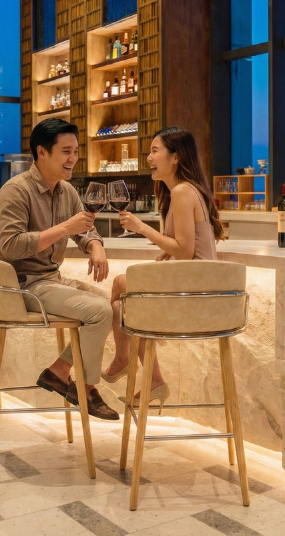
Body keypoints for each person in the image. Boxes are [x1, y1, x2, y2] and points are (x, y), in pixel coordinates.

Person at [0, 118, 119, 421]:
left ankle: (59, 371)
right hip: (20, 285)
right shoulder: (15, 191)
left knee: (115, 306)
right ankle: (85, 388)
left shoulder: (67, 192)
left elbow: (85, 230)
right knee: (100, 311)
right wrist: (65, 228)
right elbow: (10, 246)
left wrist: (95, 246)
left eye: (75, 151)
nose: (73, 158)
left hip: (50, 280)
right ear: (42, 152)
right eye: (66, 151)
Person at [103, 126, 225, 408]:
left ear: (176, 158)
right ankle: (153, 380)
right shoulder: (179, 192)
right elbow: (184, 247)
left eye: (154, 151)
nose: (149, 157)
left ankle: (125, 360)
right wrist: (166, 253)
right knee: (121, 303)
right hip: (199, 284)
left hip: (197, 292)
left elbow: (185, 250)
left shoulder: (182, 191)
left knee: (122, 288)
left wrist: (142, 227)